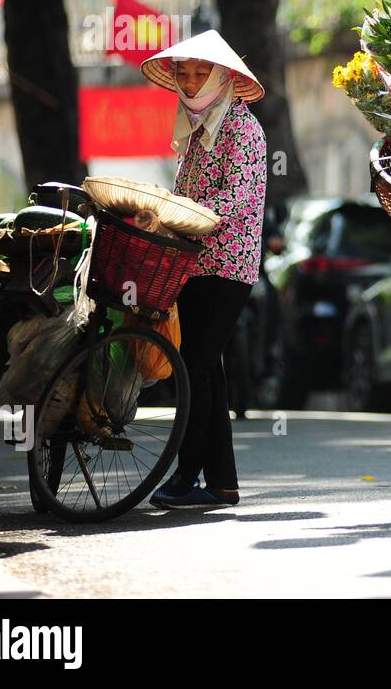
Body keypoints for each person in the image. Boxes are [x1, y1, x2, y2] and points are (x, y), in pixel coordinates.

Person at [139, 30, 267, 509]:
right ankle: (222, 482)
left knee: (193, 367)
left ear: (223, 77)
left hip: (227, 266)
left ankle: (185, 474)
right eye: (184, 74)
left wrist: (178, 215)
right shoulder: (194, 130)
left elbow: (234, 201)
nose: (191, 83)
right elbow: (184, 193)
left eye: (200, 74)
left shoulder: (243, 128)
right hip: (192, 264)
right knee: (206, 368)